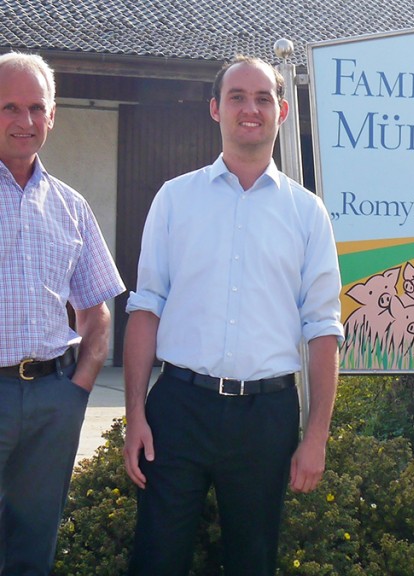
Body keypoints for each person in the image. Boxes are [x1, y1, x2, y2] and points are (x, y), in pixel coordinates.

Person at [122, 55, 343, 576]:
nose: (251, 109)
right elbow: (146, 306)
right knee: (156, 558)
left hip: (265, 419)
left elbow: (323, 327)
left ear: (282, 111)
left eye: (263, 98)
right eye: (238, 97)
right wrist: (135, 416)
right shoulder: (175, 199)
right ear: (215, 108)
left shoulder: (308, 213)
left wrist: (315, 437)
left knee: (253, 562)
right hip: (178, 409)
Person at [0, 52, 125, 574]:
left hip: (54, 398)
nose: (23, 121)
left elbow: (98, 309)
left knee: (34, 545)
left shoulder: (71, 206)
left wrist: (80, 385)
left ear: (52, 116)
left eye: (35, 108)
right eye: (9, 106)